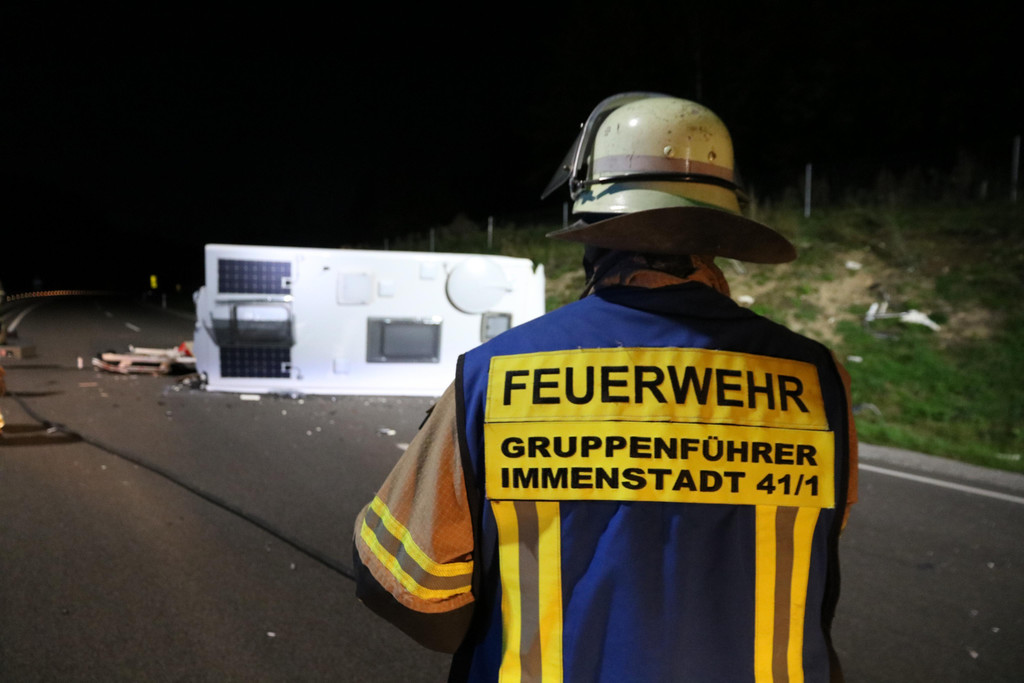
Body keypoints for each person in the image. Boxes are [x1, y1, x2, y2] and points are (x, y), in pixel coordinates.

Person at [353, 92, 858, 682]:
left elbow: (409, 590)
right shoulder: (816, 379)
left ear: (591, 231)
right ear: (719, 234)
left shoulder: (496, 373)